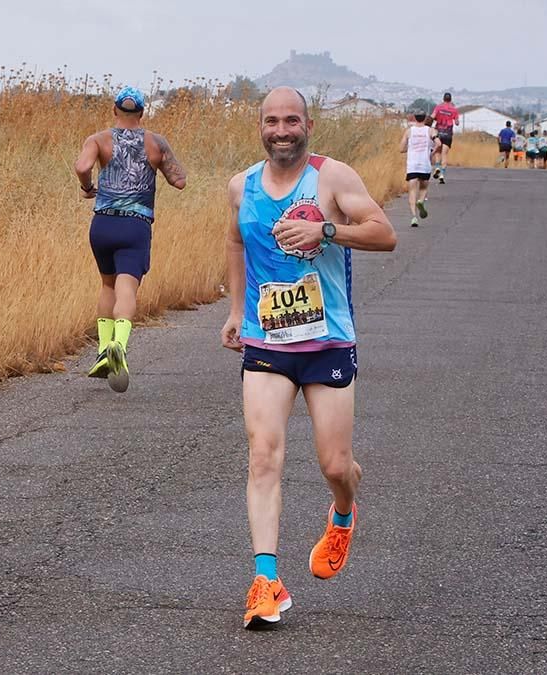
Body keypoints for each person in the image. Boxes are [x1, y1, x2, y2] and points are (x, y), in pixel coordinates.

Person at [221, 87, 397, 629]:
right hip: (267, 341)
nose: (281, 130)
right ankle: (266, 580)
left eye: (291, 120)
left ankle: (343, 512)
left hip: (327, 343)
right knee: (263, 456)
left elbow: (384, 234)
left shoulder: (332, 178)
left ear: (308, 125)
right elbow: (234, 244)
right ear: (260, 127)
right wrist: (234, 311)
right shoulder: (241, 186)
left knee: (335, 465)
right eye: (271, 121)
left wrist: (325, 229)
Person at [75, 86, 187, 392]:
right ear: (142, 113)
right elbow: (179, 181)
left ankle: (102, 350)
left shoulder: (98, 140)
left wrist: (88, 187)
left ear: (114, 111)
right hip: (136, 225)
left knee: (107, 284)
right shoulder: (155, 142)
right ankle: (119, 347)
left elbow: (83, 166)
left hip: (103, 223)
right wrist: (163, 163)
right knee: (127, 287)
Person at [401, 111, 440, 227]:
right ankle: (421, 201)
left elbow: (401, 148)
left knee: (412, 191)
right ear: (424, 118)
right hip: (425, 164)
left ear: (414, 118)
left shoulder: (409, 131)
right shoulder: (430, 130)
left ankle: (414, 217)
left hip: (412, 165)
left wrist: (410, 147)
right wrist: (431, 153)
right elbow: (438, 143)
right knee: (423, 188)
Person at [430, 93, 459, 183]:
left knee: (437, 153)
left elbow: (432, 117)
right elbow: (457, 122)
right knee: (444, 154)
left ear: (443, 99)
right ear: (450, 99)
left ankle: (437, 168)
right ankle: (442, 174)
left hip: (438, 132)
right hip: (448, 134)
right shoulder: (454, 109)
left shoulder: (438, 107)